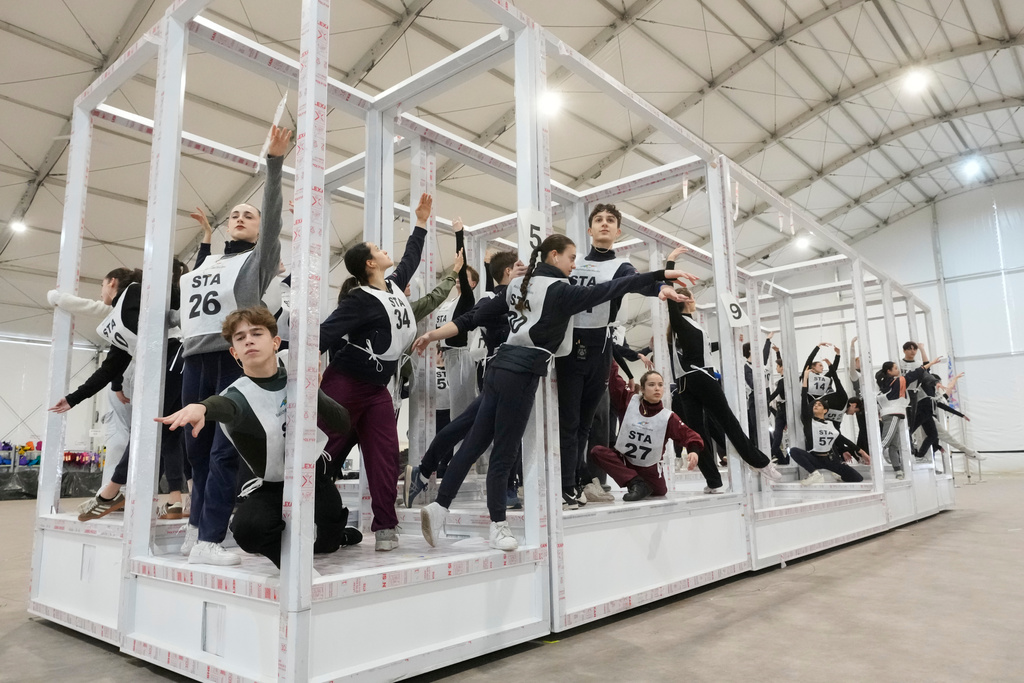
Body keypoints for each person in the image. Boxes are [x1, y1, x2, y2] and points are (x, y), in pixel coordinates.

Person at [413, 234, 695, 551]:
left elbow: (471, 318)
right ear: (553, 256)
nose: (575, 264)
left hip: (497, 369)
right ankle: (498, 525)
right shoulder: (560, 291)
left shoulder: (517, 285)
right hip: (521, 374)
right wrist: (659, 277)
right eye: (571, 257)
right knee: (504, 454)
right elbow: (612, 288)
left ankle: (439, 507)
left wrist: (432, 335)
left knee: (474, 444)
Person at [156, 307, 360, 567]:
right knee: (248, 530)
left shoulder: (294, 369)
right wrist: (202, 408)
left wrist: (312, 391)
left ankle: (337, 536)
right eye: (240, 338)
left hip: (313, 477)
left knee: (325, 544)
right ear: (234, 352)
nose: (248, 340)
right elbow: (224, 404)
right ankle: (290, 563)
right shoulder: (237, 394)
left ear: (275, 342)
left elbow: (342, 423)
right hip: (270, 485)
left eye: (256, 333)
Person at [178, 124, 291, 564]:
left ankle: (209, 538)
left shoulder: (255, 263)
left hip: (230, 361)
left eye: (250, 214)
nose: (240, 217)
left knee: (225, 451)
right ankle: (197, 528)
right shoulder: (204, 265)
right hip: (194, 360)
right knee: (196, 451)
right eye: (236, 215)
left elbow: (275, 217)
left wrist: (275, 164)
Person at [555, 204, 694, 509]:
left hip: (601, 351)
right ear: (590, 230)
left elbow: (640, 283)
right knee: (567, 421)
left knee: (586, 424)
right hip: (568, 348)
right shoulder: (573, 264)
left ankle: (579, 480)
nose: (604, 224)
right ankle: (565, 484)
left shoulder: (622, 266)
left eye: (611, 221)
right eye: (599, 220)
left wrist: (661, 288)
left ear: (618, 232)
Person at [319, 194, 432, 551]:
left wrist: (422, 224)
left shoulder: (394, 288)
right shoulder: (359, 299)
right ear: (371, 263)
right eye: (379, 248)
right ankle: (303, 516)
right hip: (344, 385)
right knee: (323, 452)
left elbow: (411, 260)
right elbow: (324, 334)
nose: (386, 250)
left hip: (377, 389)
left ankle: (385, 527)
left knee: (384, 456)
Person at [48, 266, 188, 522]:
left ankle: (111, 491)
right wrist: (73, 398)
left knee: (148, 428)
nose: (101, 291)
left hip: (174, 359)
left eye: (102, 285)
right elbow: (111, 367)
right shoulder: (119, 322)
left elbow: (174, 299)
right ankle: (175, 500)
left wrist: (175, 274)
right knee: (169, 432)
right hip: (171, 365)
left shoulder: (135, 292)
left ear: (112, 282)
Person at [404, 250, 522, 507]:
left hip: (514, 373)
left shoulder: (525, 296)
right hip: (497, 372)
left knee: (470, 427)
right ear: (509, 272)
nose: (525, 270)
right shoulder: (494, 298)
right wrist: (432, 336)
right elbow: (466, 319)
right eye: (519, 267)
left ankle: (427, 475)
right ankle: (501, 491)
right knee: (475, 430)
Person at [665, 248, 783, 494]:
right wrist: (671, 261)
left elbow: (707, 349)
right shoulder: (679, 324)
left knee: (707, 430)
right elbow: (669, 295)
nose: (693, 300)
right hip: (697, 380)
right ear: (684, 301)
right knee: (722, 425)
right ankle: (754, 464)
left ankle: (718, 479)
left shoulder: (693, 328)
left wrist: (732, 342)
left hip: (690, 383)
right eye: (690, 297)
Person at [588, 366, 703, 501]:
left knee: (660, 492)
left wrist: (693, 451)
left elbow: (690, 435)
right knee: (597, 451)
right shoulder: (629, 401)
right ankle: (635, 482)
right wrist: (609, 354)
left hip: (649, 468)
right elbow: (614, 379)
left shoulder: (668, 417)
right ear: (642, 389)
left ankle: (638, 483)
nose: (657, 388)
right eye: (651, 385)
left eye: (660, 385)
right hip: (624, 461)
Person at [789, 367, 870, 485]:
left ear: (825, 410)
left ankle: (837, 473)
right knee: (794, 451)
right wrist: (805, 378)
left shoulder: (830, 424)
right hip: (815, 458)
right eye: (814, 405)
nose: (815, 405)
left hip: (830, 459)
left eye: (819, 405)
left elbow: (842, 439)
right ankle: (814, 473)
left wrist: (861, 452)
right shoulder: (808, 421)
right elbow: (803, 397)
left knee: (857, 478)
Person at [875, 356, 943, 480]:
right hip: (893, 414)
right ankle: (875, 460)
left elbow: (915, 373)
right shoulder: (897, 382)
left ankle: (898, 470)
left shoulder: (886, 382)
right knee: (885, 442)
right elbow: (916, 373)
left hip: (893, 414)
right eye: (895, 368)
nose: (898, 369)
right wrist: (930, 363)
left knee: (894, 445)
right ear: (889, 371)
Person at [742, 334, 773, 447]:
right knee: (757, 427)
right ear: (750, 351)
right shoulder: (747, 367)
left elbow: (765, 355)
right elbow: (752, 384)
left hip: (765, 397)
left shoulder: (759, 364)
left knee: (765, 426)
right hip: (755, 398)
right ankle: (759, 450)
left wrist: (768, 340)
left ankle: (772, 450)